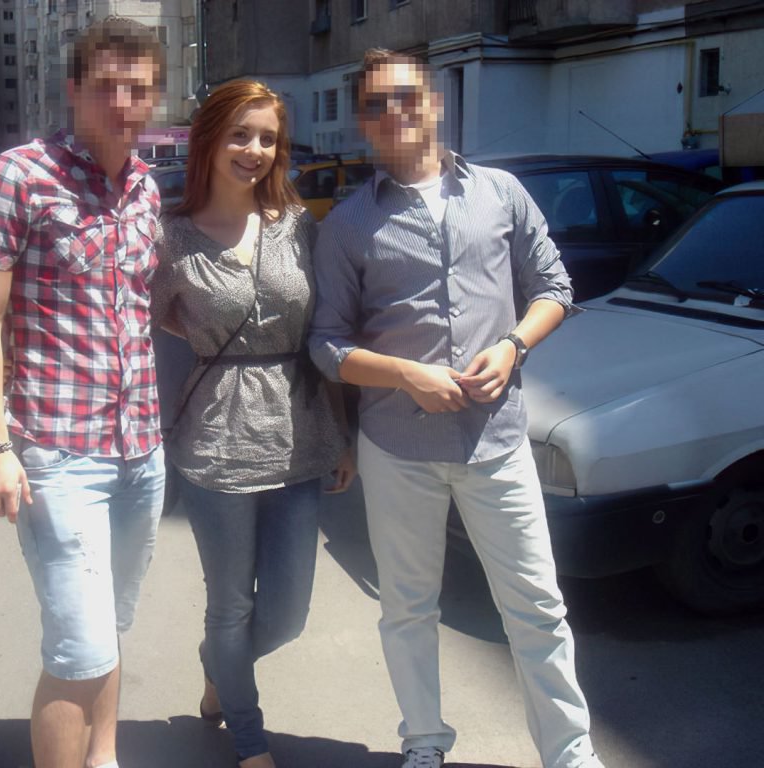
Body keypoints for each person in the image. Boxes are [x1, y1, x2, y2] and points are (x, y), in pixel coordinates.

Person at [309, 49, 605, 768]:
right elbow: (326, 344)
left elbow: (555, 287)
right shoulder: (348, 224)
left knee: (536, 605)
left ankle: (569, 752)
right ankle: (423, 739)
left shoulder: (501, 193)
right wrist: (405, 375)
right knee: (407, 606)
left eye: (406, 97)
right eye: (375, 105)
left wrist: (512, 346)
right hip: (397, 447)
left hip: (494, 441)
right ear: (362, 122)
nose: (393, 113)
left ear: (434, 103)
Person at [0, 18, 166, 768]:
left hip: (141, 451)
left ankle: (103, 758)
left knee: (107, 629)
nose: (122, 102)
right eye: (106, 85)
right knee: (79, 649)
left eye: (137, 89)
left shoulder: (145, 188)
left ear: (154, 97)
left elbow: (139, 306)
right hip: (57, 453)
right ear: (73, 89)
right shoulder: (15, 176)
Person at [151, 79, 355, 768]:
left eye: (267, 138)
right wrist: (207, 339)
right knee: (232, 605)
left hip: (302, 437)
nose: (255, 150)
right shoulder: (173, 237)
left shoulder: (297, 226)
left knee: (288, 614)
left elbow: (325, 332)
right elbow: (149, 317)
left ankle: (218, 662)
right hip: (215, 445)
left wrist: (343, 433)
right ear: (209, 140)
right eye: (240, 134)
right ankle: (248, 738)